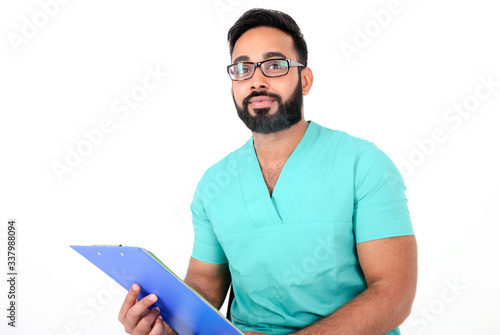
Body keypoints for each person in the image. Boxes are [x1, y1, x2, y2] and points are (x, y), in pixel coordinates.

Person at [118, 8, 417, 335]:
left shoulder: (364, 164)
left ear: (304, 79)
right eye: (243, 68)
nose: (256, 80)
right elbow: (205, 283)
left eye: (274, 65)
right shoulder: (214, 184)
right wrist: (167, 321)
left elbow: (393, 294)